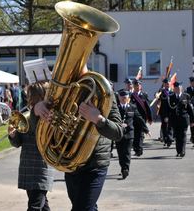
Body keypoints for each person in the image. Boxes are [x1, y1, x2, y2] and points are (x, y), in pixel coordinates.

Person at [34, 65, 123, 211]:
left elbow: (118, 132)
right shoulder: (63, 90)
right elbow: (39, 124)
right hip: (71, 162)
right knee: (87, 207)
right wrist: (37, 110)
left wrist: (99, 119)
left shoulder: (102, 90)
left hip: (95, 164)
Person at [8, 81, 54, 211]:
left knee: (34, 206)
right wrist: (12, 135)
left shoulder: (49, 115)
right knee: (42, 205)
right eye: (29, 95)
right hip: (27, 166)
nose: (29, 99)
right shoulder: (26, 114)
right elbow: (17, 143)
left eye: (32, 96)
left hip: (42, 167)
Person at [116, 90, 148, 179]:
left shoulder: (132, 107)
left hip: (129, 133)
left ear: (128, 99)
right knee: (120, 153)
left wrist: (146, 129)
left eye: (125, 98)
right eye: (122, 98)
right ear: (119, 98)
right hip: (118, 134)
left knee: (127, 152)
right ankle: (123, 167)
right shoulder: (115, 108)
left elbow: (139, 118)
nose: (123, 99)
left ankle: (125, 169)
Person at [168, 82, 194, 157]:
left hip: (184, 120)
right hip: (175, 120)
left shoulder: (186, 96)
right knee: (177, 136)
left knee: (183, 135)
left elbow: (190, 110)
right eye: (177, 88)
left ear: (181, 88)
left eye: (179, 88)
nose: (178, 89)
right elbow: (169, 109)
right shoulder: (171, 97)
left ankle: (182, 151)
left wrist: (192, 121)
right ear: (174, 89)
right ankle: (178, 151)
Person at [130, 79, 152, 156]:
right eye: (136, 85)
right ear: (134, 86)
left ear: (140, 86)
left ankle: (139, 150)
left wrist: (150, 118)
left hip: (142, 118)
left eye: (139, 85)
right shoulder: (131, 95)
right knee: (135, 134)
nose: (137, 86)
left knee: (140, 134)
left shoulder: (144, 95)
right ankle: (137, 149)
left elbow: (148, 107)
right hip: (133, 117)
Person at [157, 78, 172, 147]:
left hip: (171, 112)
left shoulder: (172, 91)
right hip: (164, 112)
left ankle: (169, 139)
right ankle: (166, 139)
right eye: (166, 84)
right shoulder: (161, 91)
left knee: (170, 126)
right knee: (164, 127)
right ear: (164, 84)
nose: (167, 85)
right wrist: (157, 95)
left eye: (168, 83)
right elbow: (157, 96)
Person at [185, 76, 194, 144]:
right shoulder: (188, 89)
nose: (191, 83)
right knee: (191, 123)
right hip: (191, 109)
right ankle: (192, 135)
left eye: (192, 82)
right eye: (191, 82)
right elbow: (186, 98)